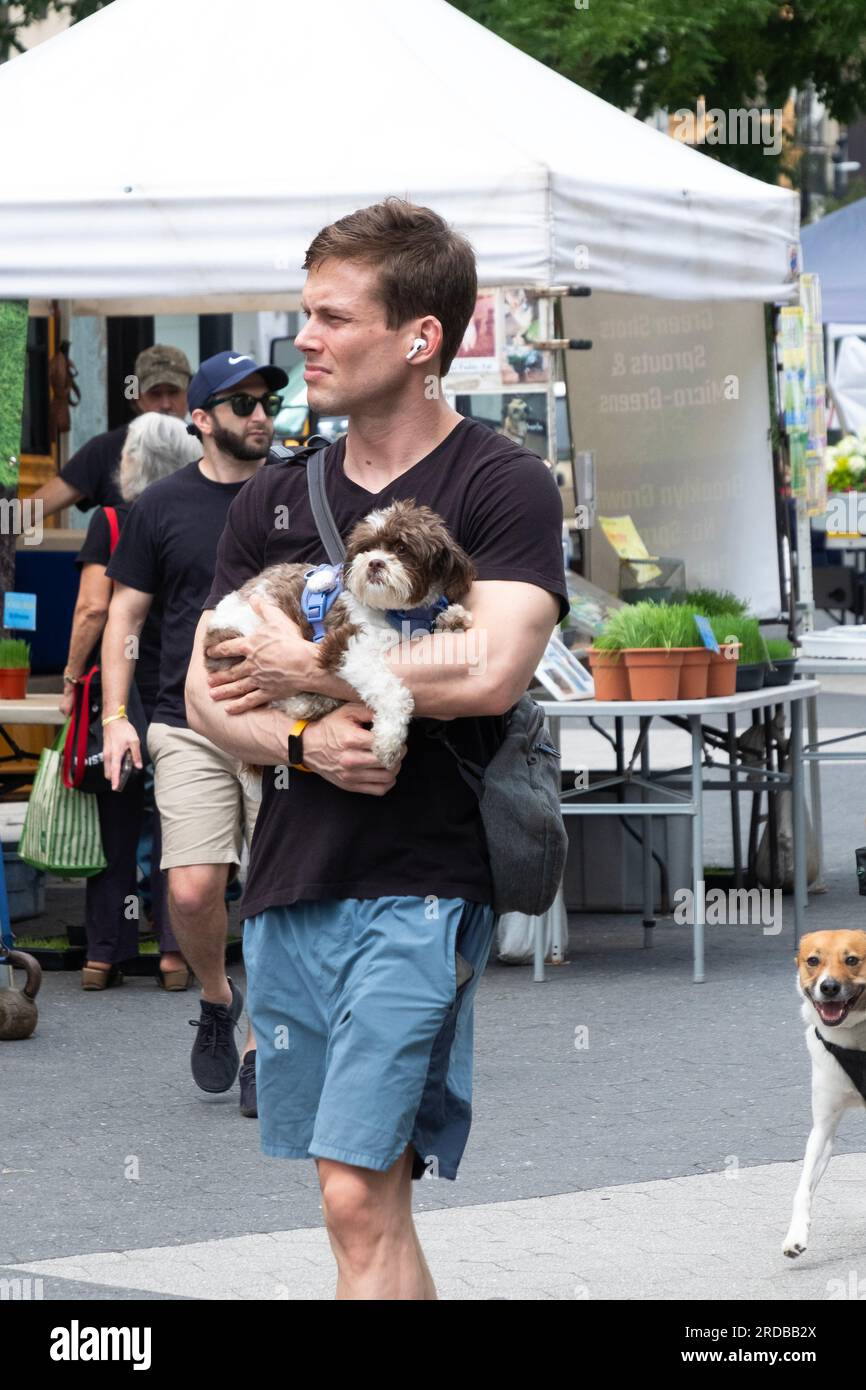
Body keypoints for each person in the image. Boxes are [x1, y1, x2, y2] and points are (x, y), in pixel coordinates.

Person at [185, 198, 568, 1299]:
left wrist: (311, 669)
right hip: (294, 878)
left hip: (424, 884)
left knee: (357, 1192)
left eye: (330, 316)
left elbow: (491, 665)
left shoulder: (496, 484)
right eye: (301, 314)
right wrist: (302, 742)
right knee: (363, 1198)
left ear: (418, 338)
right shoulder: (270, 497)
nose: (301, 338)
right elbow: (203, 697)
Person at [100, 350, 288, 1118]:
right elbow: (124, 618)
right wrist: (117, 719)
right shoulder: (160, 508)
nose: (259, 416)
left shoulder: (298, 497)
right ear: (201, 420)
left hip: (282, 722)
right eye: (240, 404)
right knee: (192, 886)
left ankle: (259, 1047)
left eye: (265, 402)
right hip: (186, 725)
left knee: (277, 897)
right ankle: (218, 998)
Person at [60, 413, 202, 989]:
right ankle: (173, 952)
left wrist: (71, 676)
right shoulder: (193, 515)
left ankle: (104, 952)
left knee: (115, 814)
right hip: (179, 686)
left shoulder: (113, 521)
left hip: (120, 690)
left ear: (130, 463)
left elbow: (94, 608)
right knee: (179, 820)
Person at [32, 345, 192, 518]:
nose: (166, 404)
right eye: (155, 394)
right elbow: (31, 510)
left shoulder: (210, 446)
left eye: (174, 392)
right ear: (137, 396)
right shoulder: (105, 449)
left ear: (189, 393)